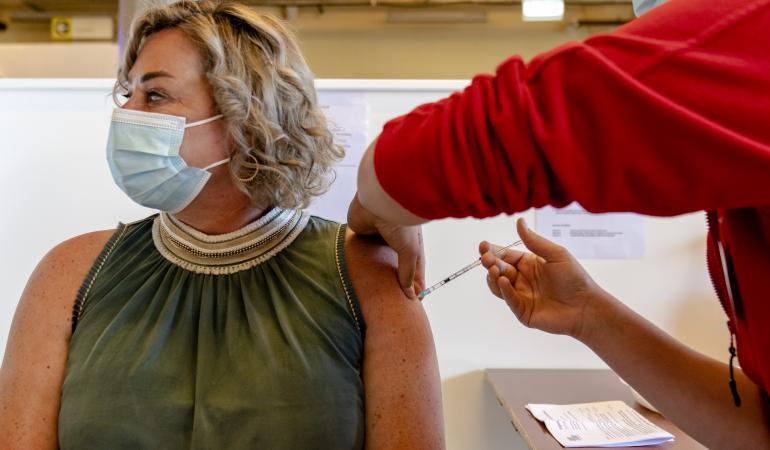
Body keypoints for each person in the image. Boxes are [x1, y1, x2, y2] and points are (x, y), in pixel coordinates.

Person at [0, 2, 444, 449]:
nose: (127, 114)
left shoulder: (369, 279)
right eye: (127, 94)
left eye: (154, 96)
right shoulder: (68, 276)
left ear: (246, 118)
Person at [346, 0, 770, 447]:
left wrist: (375, 208)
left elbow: (406, 163)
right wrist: (588, 314)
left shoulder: (752, 36)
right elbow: (760, 428)